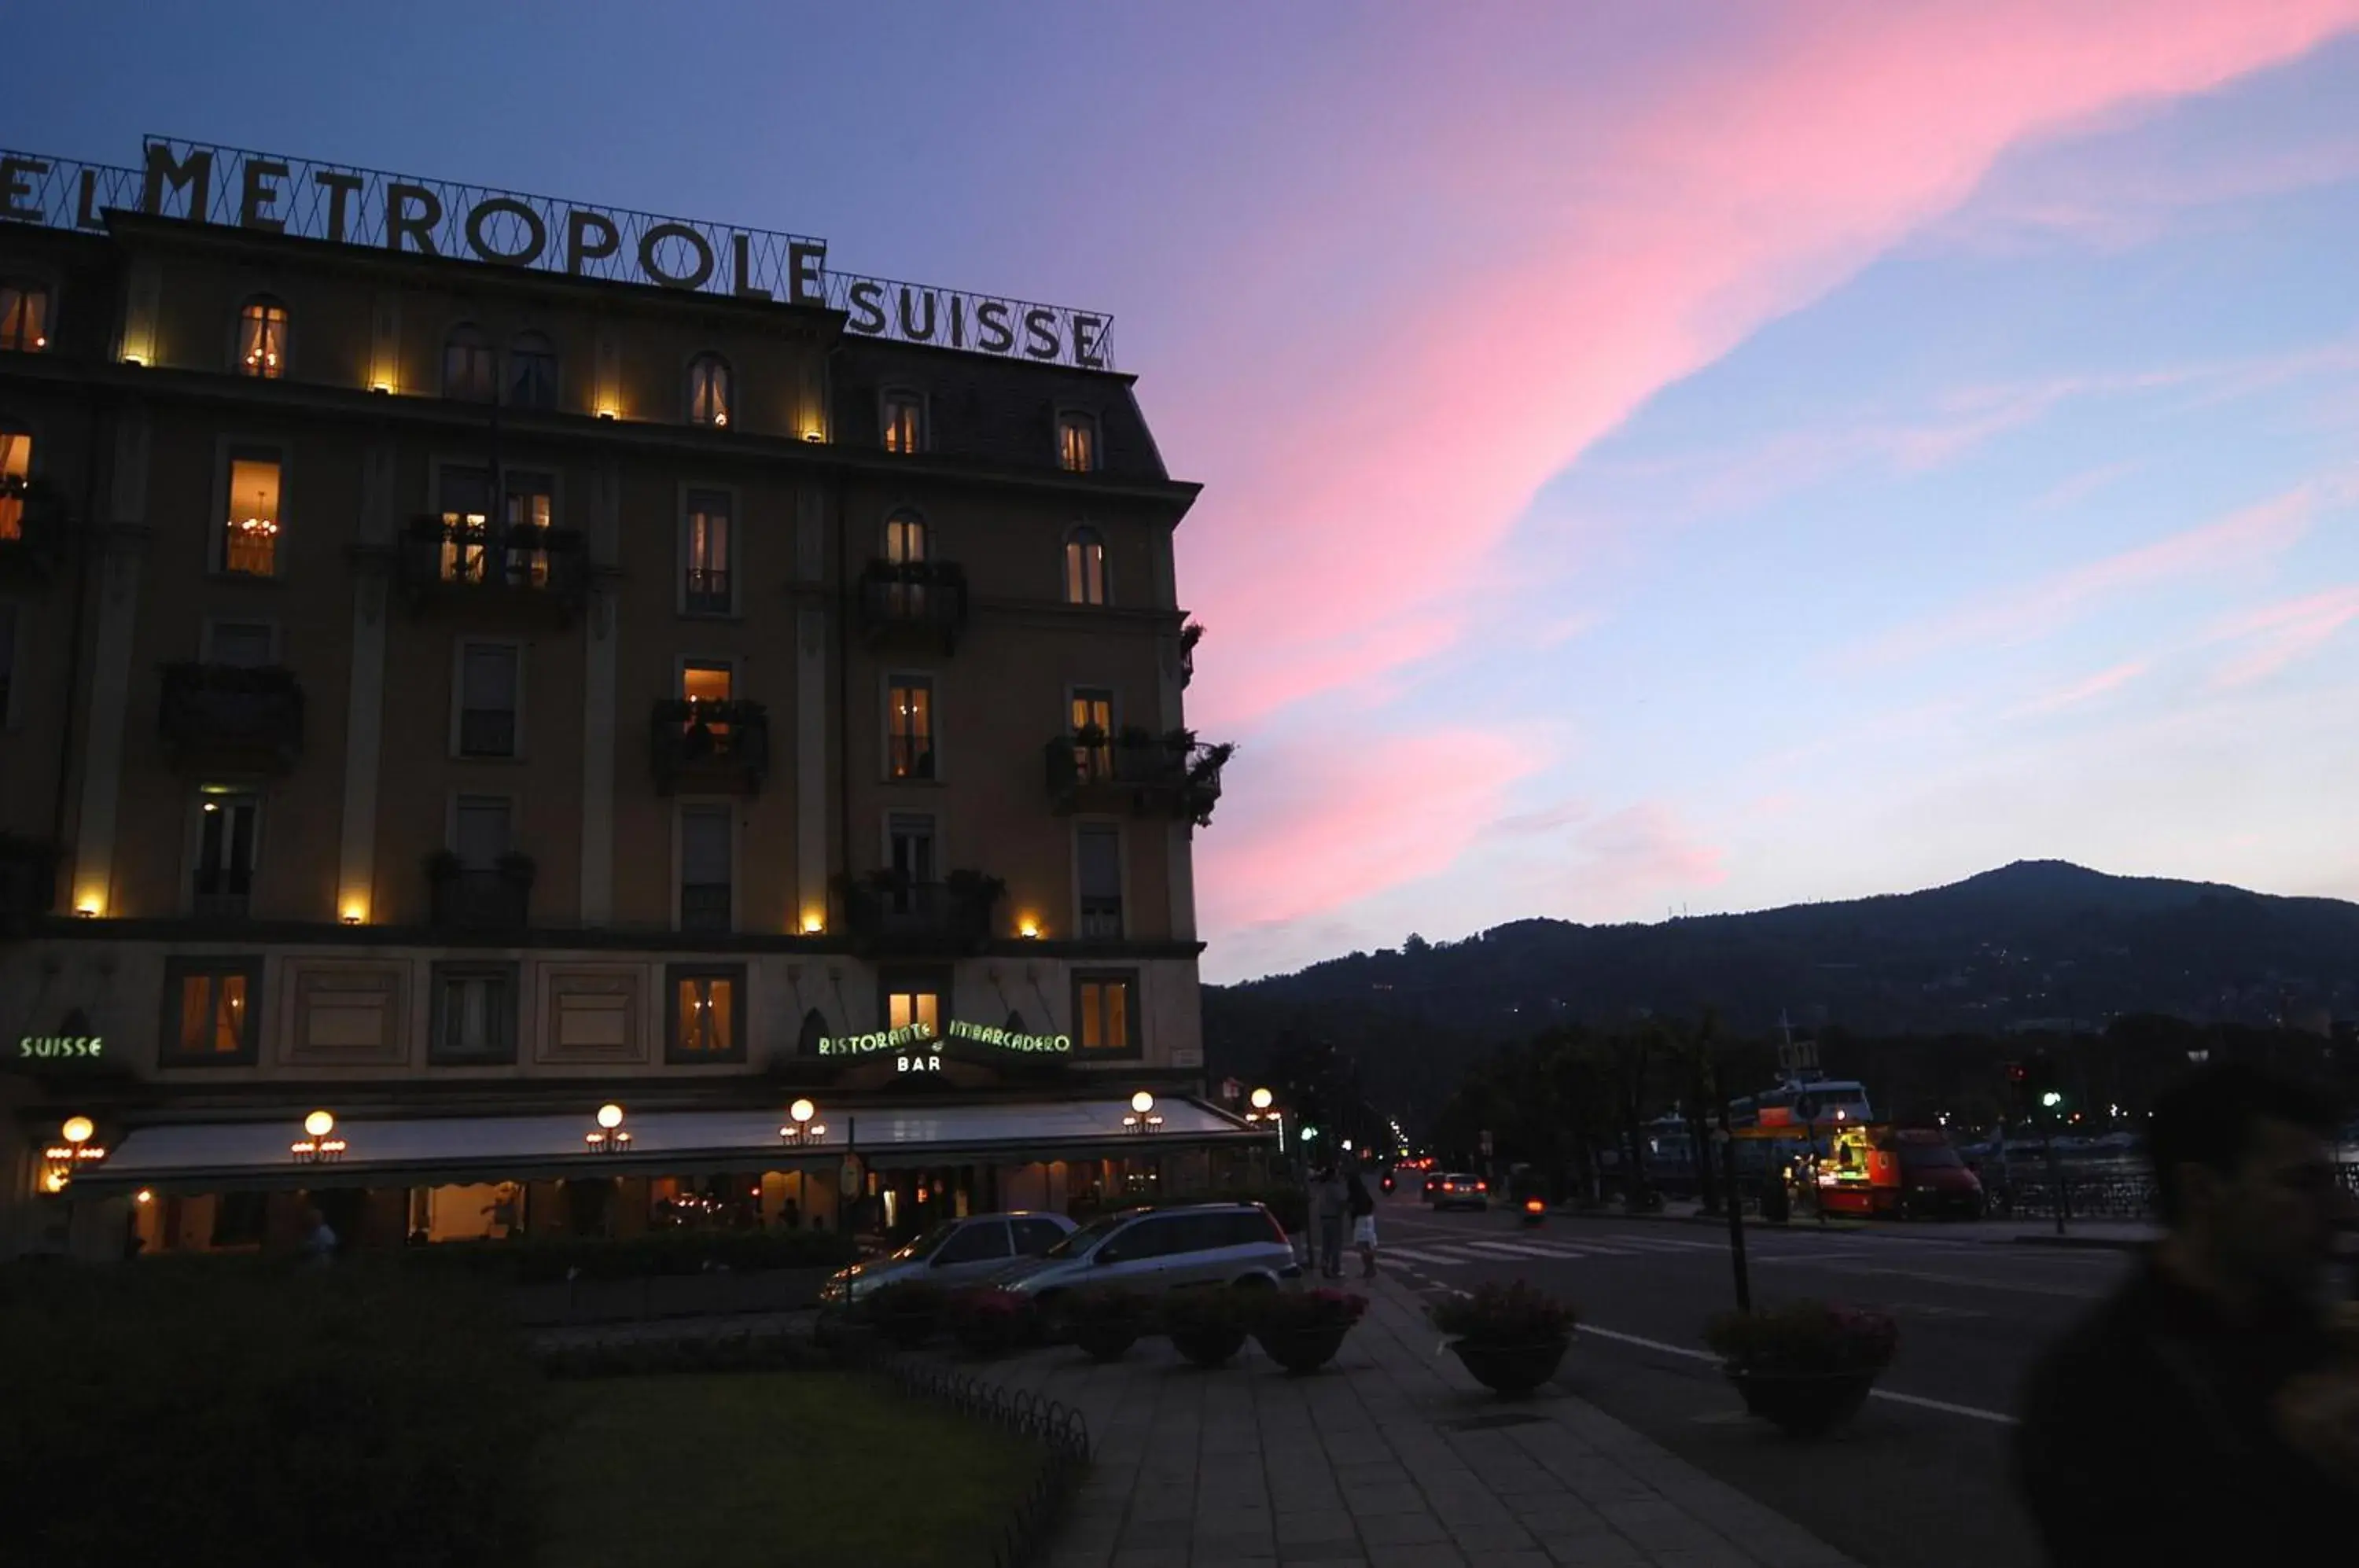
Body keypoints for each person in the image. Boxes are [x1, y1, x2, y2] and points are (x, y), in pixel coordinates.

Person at [2015, 1063, 2359, 1563]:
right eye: (2301, 1183)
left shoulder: (2318, 1341)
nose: (2340, 1208)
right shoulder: (2094, 1389)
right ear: (2202, 1191)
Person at [1309, 1164, 1347, 1279]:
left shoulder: (1322, 1187)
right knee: (1335, 1245)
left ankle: (1324, 1266)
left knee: (1326, 1245)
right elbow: (1341, 1202)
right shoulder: (1334, 1187)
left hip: (1324, 1218)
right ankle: (1335, 1269)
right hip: (1334, 1218)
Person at [1346, 1169, 1378, 1279]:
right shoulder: (1364, 1192)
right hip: (1369, 1219)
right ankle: (1371, 1267)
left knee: (1362, 1246)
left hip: (1360, 1219)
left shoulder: (1353, 1195)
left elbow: (1351, 1209)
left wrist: (1352, 1221)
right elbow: (1372, 1204)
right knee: (1369, 1244)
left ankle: (1369, 1268)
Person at [299, 1205, 339, 1269]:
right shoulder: (314, 1230)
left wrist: (314, 1246)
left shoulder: (324, 1230)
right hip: (315, 1257)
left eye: (314, 1218)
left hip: (322, 1258)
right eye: (312, 1218)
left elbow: (331, 1245)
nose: (312, 1220)